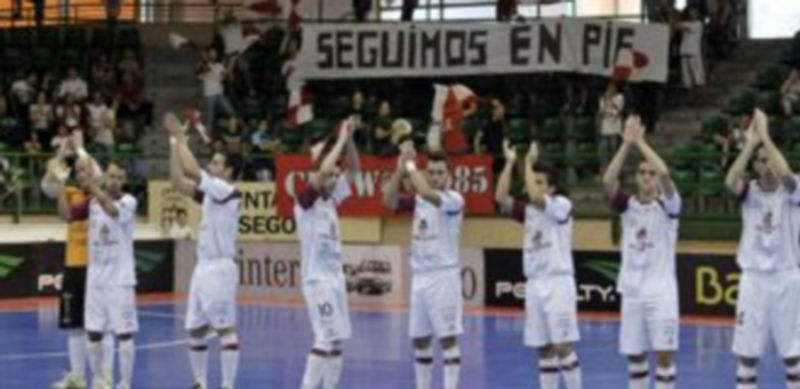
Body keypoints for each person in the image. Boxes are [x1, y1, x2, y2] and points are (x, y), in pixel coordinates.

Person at [495, 140, 583, 389]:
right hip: (535, 284)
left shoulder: (561, 205)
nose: (535, 186)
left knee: (562, 346)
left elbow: (534, 195)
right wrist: (511, 162)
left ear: (552, 188)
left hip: (558, 283)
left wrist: (528, 163)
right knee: (543, 348)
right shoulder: (529, 211)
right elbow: (500, 197)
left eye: (541, 182)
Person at [602, 116, 681, 389]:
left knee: (664, 356)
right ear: (636, 177)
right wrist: (625, 144)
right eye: (642, 172)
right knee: (635, 356)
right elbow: (608, 180)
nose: (647, 176)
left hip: (660, 292)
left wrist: (641, 142)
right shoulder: (627, 206)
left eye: (651, 173)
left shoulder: (669, 207)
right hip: (632, 291)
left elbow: (666, 174)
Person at [724, 109, 800, 389]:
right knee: (747, 356)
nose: (766, 165)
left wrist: (765, 138)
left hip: (786, 279)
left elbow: (788, 176)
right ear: (755, 166)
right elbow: (731, 181)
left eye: (771, 160)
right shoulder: (750, 192)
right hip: (754, 280)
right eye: (761, 161)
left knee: (793, 358)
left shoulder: (794, 191)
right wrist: (751, 145)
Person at [165, 112, 242, 389]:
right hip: (202, 267)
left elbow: (192, 171)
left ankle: (228, 385)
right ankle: (200, 383)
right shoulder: (210, 194)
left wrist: (181, 137)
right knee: (195, 329)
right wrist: (174, 144)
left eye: (218, 163)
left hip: (220, 267)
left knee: (224, 329)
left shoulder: (226, 190)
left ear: (229, 171)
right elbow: (177, 180)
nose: (213, 165)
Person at [382, 143, 465, 389]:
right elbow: (388, 201)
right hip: (420, 277)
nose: (436, 177)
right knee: (420, 340)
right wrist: (399, 170)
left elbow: (429, 193)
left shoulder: (453, 200)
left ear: (448, 175)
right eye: (432, 172)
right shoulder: (419, 200)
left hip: (443, 277)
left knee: (448, 339)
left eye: (440, 172)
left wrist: (410, 164)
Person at [42, 133, 113, 389]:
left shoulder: (101, 193)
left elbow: (101, 176)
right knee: (74, 326)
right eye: (78, 170)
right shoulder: (69, 192)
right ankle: (77, 377)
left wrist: (81, 150)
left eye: (86, 169)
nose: (82, 172)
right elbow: (47, 184)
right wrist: (62, 153)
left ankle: (103, 377)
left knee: (101, 326)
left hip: (97, 269)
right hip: (74, 266)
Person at [295, 119, 360, 389]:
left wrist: (351, 139)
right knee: (324, 338)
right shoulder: (305, 202)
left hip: (336, 281)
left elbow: (354, 169)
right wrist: (340, 139)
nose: (333, 179)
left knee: (336, 340)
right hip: (317, 281)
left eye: (335, 175)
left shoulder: (332, 200)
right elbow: (322, 172)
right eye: (330, 175)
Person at [83, 161, 138, 389]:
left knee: (123, 335)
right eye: (111, 176)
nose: (114, 180)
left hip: (120, 280)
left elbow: (112, 211)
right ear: (106, 177)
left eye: (119, 177)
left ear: (123, 181)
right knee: (94, 334)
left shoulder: (129, 202)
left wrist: (93, 186)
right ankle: (99, 379)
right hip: (95, 279)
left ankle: (124, 383)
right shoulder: (93, 204)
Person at [197, 47, 238, 132]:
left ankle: (230, 128)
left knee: (231, 112)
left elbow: (227, 74)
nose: (214, 54)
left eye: (215, 53)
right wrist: (205, 65)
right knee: (210, 118)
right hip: (209, 95)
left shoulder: (219, 66)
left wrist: (232, 62)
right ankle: (207, 136)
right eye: (212, 53)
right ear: (208, 54)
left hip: (219, 94)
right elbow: (200, 74)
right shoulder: (202, 65)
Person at [677, 8, 706, 91]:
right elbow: (677, 26)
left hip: (693, 52)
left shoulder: (698, 24)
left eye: (694, 13)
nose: (692, 15)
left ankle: (701, 93)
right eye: (690, 13)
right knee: (686, 76)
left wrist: (677, 24)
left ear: (698, 15)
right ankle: (689, 92)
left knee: (697, 75)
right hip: (684, 51)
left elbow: (687, 28)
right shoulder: (685, 23)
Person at [599, 82, 625, 170]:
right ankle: (605, 168)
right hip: (605, 130)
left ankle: (616, 168)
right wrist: (606, 100)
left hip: (615, 130)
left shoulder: (619, 97)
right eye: (609, 88)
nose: (610, 90)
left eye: (612, 88)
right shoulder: (603, 99)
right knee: (603, 150)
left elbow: (619, 111)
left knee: (615, 149)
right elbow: (602, 113)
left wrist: (611, 101)